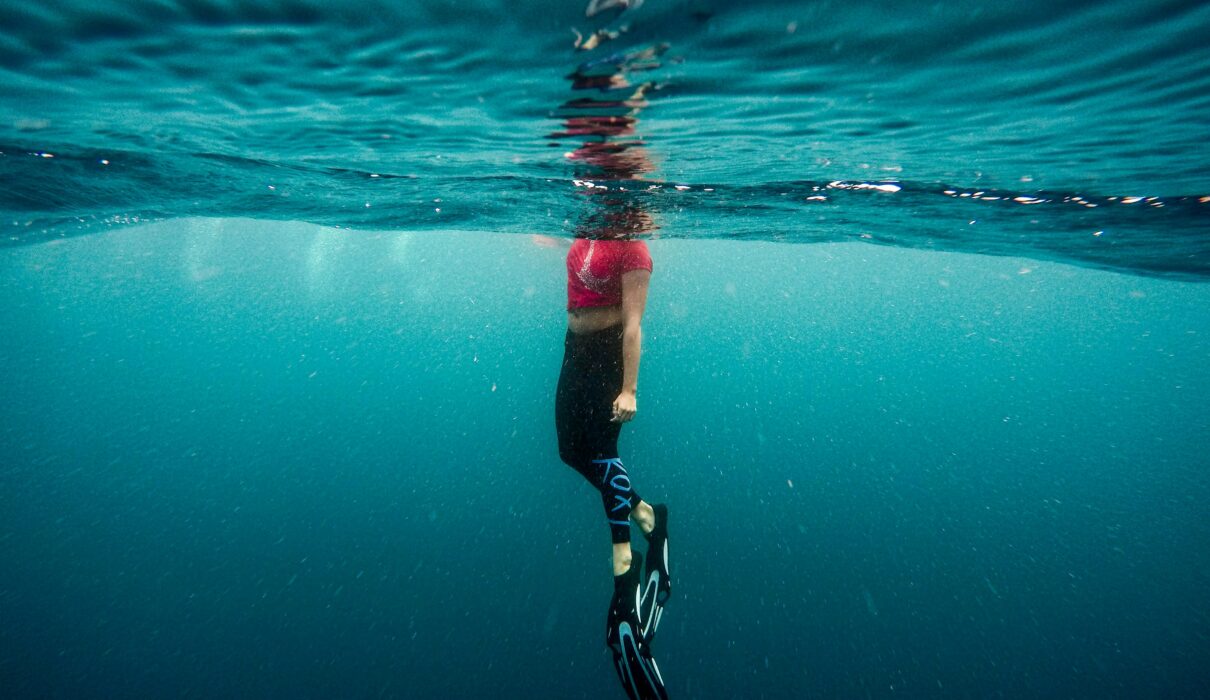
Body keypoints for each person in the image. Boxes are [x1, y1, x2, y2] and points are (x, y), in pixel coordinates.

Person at [556, 234, 671, 699]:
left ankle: (624, 565)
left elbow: (633, 325)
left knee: (602, 453)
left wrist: (630, 389)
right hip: (574, 348)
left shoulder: (635, 249)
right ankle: (648, 515)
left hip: (606, 355)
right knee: (569, 450)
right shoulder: (589, 222)